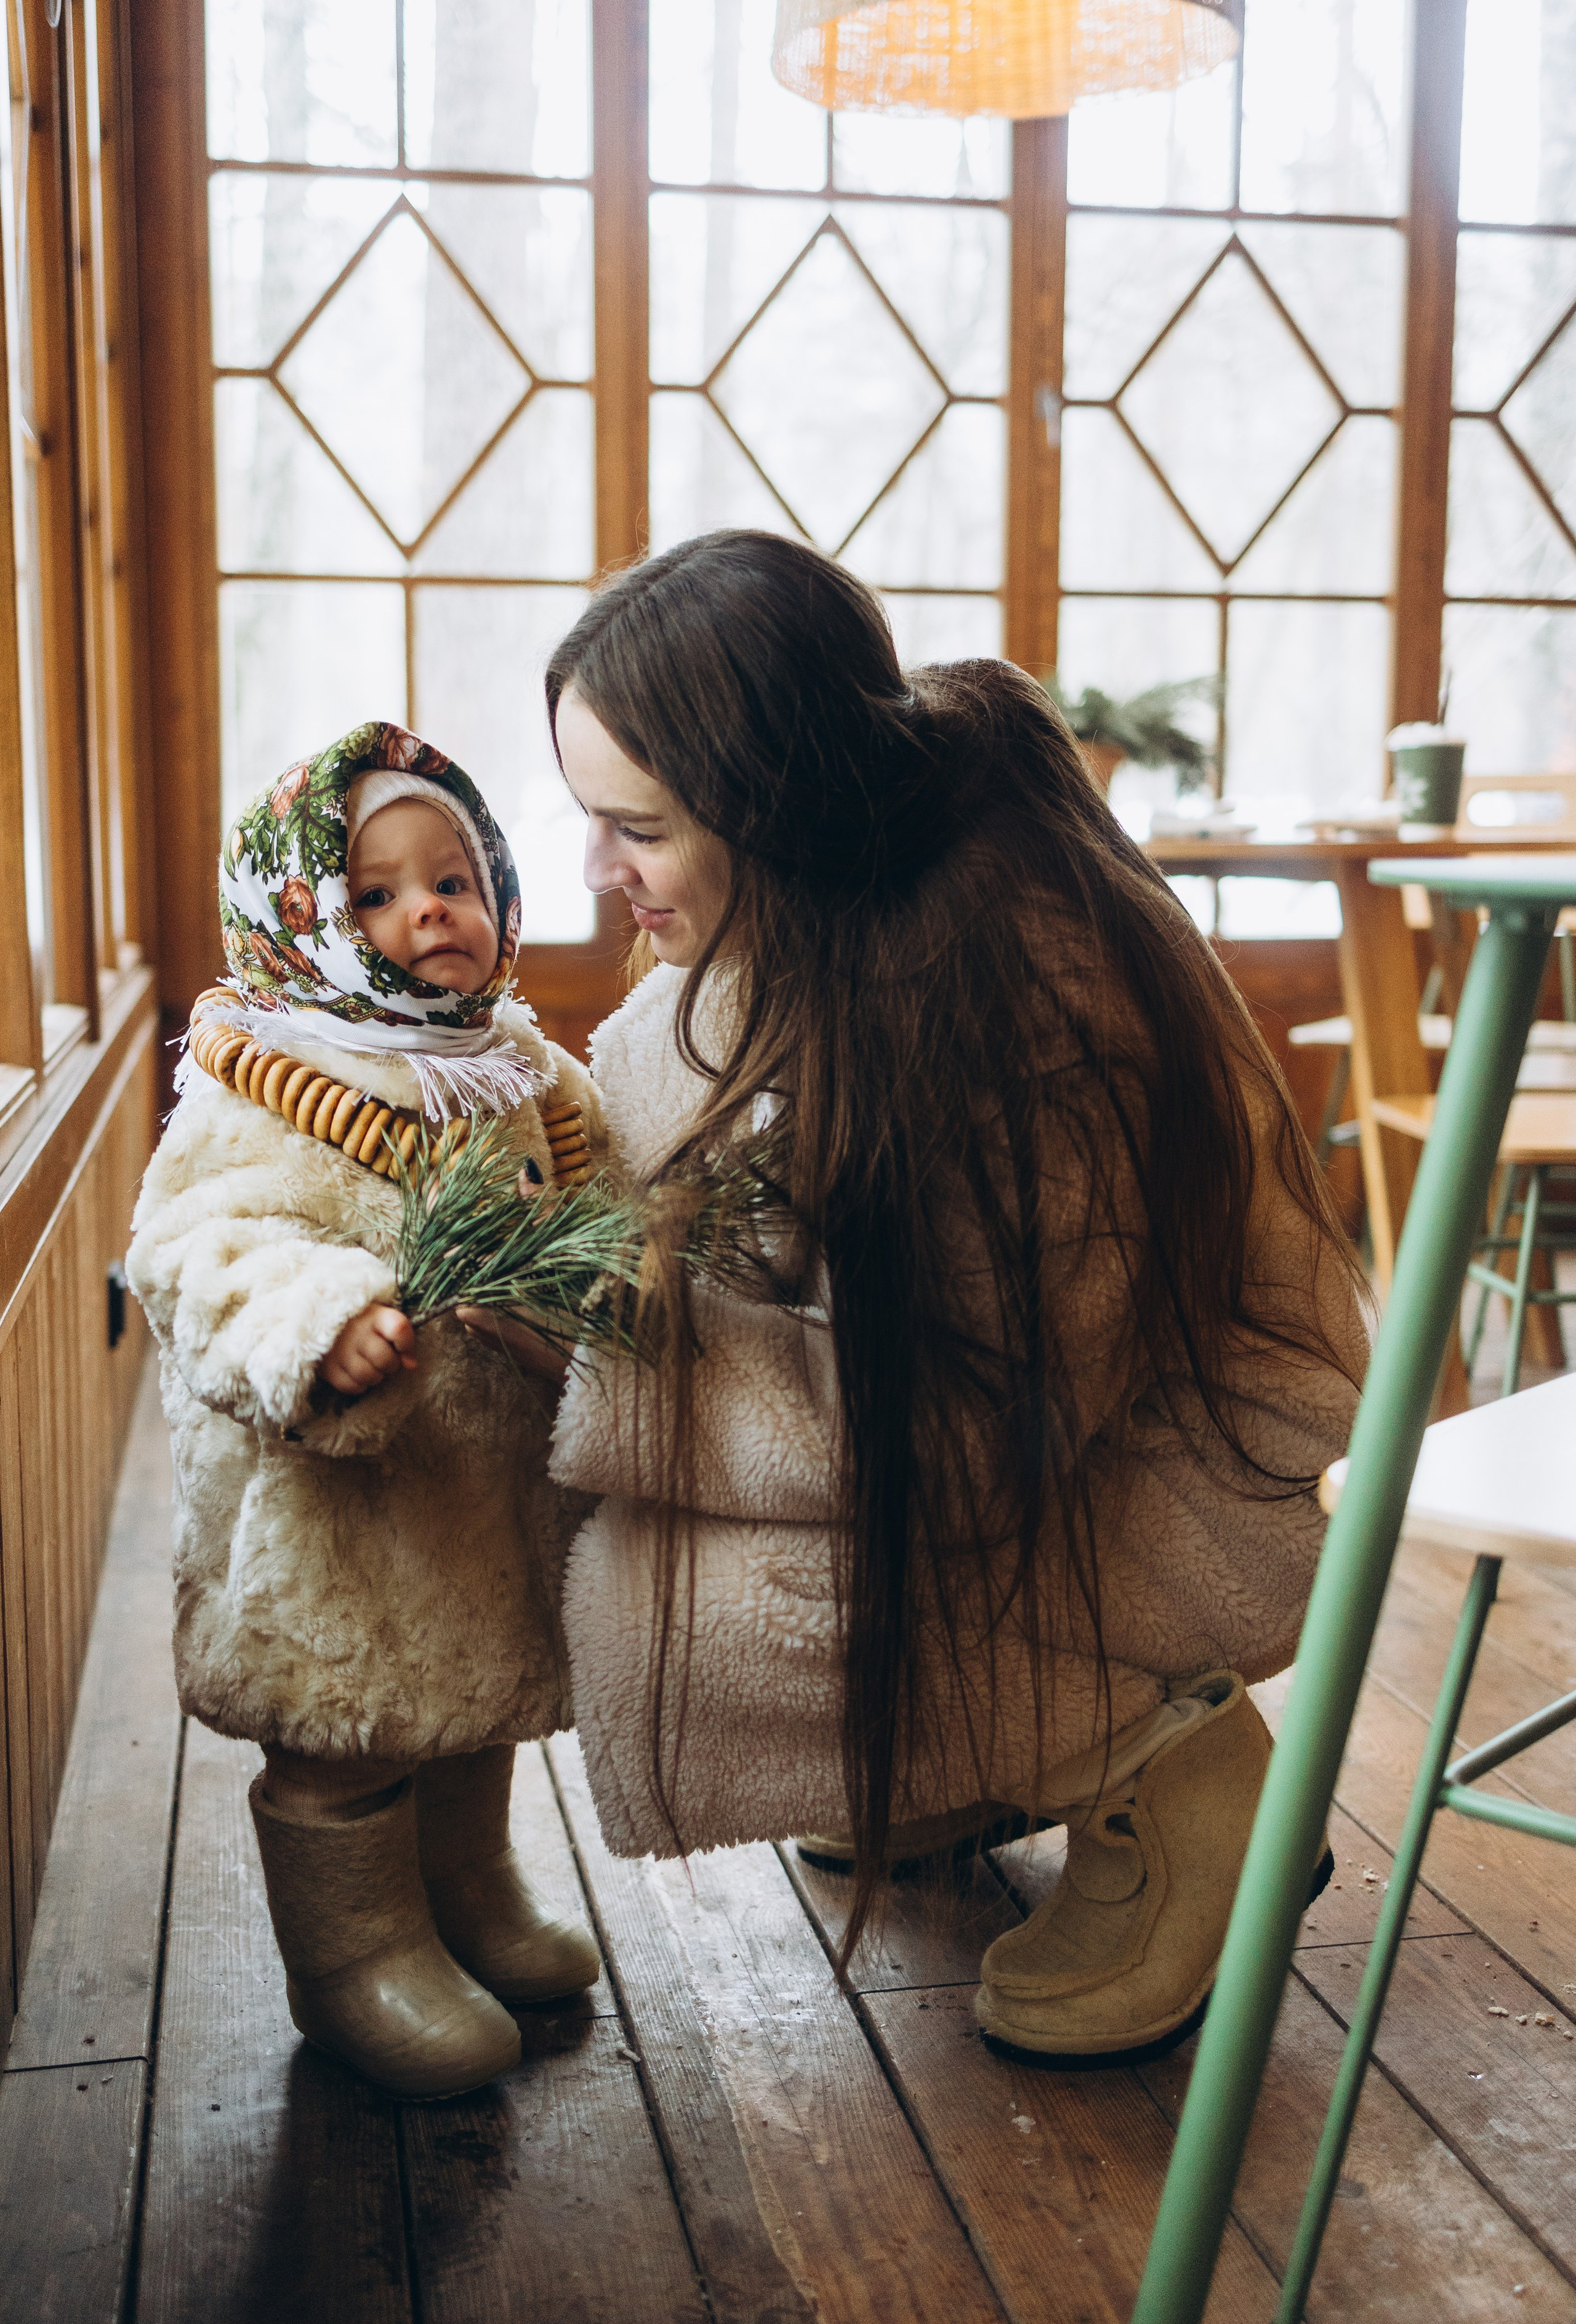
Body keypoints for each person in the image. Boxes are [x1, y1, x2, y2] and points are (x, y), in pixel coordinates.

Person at [502, 531, 1367, 2068]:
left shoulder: (1019, 1014)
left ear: (771, 809)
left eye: (635, 828)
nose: (593, 871)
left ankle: (1174, 1769)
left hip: (1175, 1487)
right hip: (1051, 1442)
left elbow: (961, 1450)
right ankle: (977, 1761)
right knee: (635, 1515)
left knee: (681, 1598)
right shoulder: (838, 902)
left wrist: (620, 1357)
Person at [127, 720, 603, 2098]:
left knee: (466, 1698)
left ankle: (467, 1893)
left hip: (479, 1488)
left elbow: (601, 1201)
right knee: (344, 1737)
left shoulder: (518, 1068)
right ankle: (354, 1959)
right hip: (332, 1505)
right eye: (377, 894)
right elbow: (194, 1247)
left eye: (453, 880)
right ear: (305, 927)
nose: (428, 912)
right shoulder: (266, 1081)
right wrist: (317, 1323)